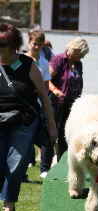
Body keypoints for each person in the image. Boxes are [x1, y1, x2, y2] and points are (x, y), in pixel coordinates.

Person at [0, 23, 57, 211]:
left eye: (2, 44)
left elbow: (44, 96)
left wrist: (51, 124)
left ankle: (8, 205)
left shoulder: (28, 64)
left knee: (14, 166)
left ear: (14, 46)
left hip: (23, 121)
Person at [49, 37, 89, 161]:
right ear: (74, 50)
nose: (82, 57)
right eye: (81, 54)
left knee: (66, 133)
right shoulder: (59, 60)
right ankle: (46, 164)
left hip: (71, 104)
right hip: (56, 102)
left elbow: (79, 82)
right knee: (52, 132)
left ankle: (62, 161)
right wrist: (56, 91)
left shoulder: (78, 64)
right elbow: (46, 79)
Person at [26, 29, 54, 179]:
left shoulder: (43, 62)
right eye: (34, 44)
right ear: (28, 43)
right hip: (22, 106)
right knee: (24, 141)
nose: (36, 47)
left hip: (38, 106)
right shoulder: (21, 59)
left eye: (39, 44)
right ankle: (21, 173)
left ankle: (44, 169)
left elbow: (46, 85)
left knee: (47, 138)